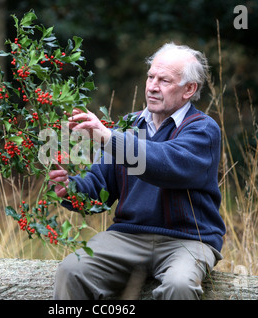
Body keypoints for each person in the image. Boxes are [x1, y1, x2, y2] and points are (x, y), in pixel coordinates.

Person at [48, 42, 226, 300]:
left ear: (189, 89)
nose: (153, 86)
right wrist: (69, 188)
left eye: (164, 80)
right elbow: (100, 188)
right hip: (128, 237)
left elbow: (164, 165)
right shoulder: (128, 125)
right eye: (151, 77)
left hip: (188, 241)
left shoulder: (203, 130)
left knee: (180, 286)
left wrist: (109, 138)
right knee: (72, 269)